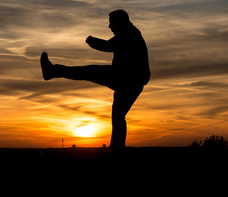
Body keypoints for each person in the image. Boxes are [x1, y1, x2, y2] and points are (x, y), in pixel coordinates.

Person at [40, 9, 150, 157]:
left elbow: (107, 46)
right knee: (118, 116)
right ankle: (117, 151)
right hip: (130, 80)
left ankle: (52, 71)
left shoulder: (129, 33)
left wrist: (89, 39)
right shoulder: (129, 33)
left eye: (111, 23)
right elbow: (110, 45)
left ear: (120, 22)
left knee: (88, 72)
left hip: (125, 78)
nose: (109, 26)